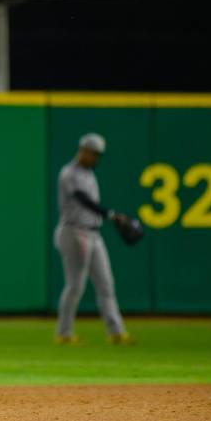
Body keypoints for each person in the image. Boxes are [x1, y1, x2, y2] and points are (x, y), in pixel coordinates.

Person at [54, 133, 133, 345]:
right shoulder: (69, 173)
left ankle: (116, 331)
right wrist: (111, 214)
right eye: (93, 153)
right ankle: (64, 332)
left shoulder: (89, 173)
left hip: (93, 233)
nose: (95, 158)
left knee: (106, 284)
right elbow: (84, 200)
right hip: (74, 232)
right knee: (75, 285)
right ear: (83, 150)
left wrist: (108, 216)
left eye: (98, 154)